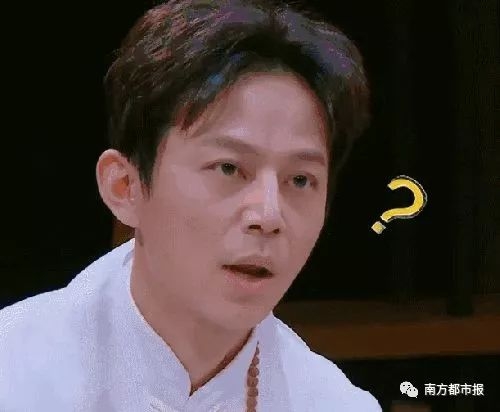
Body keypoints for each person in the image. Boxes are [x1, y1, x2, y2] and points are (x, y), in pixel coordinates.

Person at [0, 0, 381, 410]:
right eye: (229, 168)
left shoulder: (335, 403)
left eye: (300, 180)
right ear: (125, 187)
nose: (269, 216)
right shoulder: (15, 374)